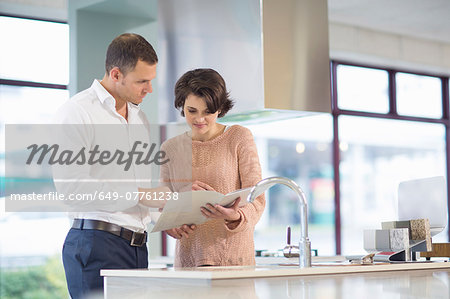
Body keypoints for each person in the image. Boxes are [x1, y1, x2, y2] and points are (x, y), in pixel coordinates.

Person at [55, 33, 168, 298]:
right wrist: (142, 195)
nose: (149, 89)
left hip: (137, 247)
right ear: (116, 74)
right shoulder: (77, 112)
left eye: (151, 80)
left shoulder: (139, 118)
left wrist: (162, 221)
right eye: (142, 81)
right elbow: (72, 189)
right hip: (96, 245)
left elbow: (135, 191)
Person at [160, 68, 265, 267]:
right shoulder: (170, 148)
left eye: (208, 112)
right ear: (182, 106)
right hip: (189, 261)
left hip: (234, 260)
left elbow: (257, 199)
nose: (199, 119)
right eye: (192, 111)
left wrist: (235, 215)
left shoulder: (239, 137)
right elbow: (162, 204)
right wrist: (171, 223)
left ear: (220, 108)